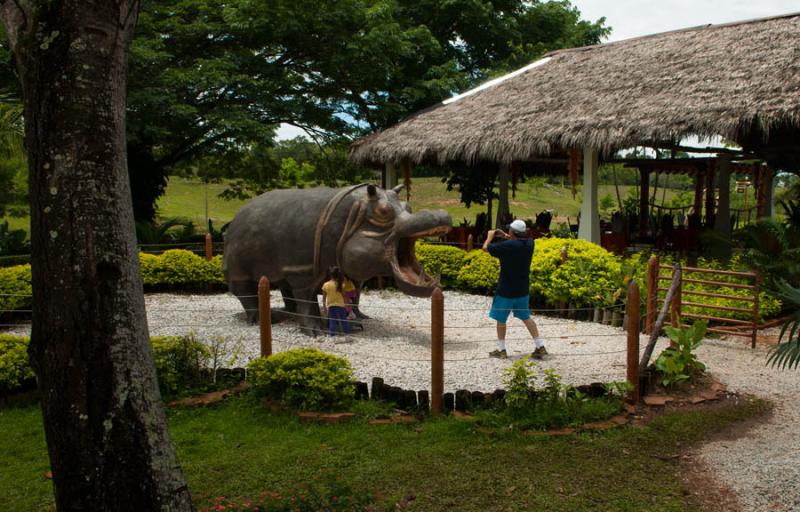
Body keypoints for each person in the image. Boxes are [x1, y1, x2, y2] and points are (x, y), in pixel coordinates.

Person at [482, 219, 546, 359]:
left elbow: (486, 248)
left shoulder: (507, 246)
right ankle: (540, 346)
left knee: (501, 320)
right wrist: (507, 236)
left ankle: (501, 349)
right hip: (522, 290)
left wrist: (490, 236)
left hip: (506, 290)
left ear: (512, 232)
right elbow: (516, 242)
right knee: (526, 317)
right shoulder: (530, 243)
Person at [322, 266, 350, 336]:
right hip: (341, 305)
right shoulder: (341, 285)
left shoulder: (326, 285)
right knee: (344, 321)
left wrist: (324, 307)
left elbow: (324, 298)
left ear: (330, 275)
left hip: (331, 306)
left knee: (332, 321)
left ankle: (332, 335)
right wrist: (346, 305)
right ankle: (347, 334)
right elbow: (345, 296)